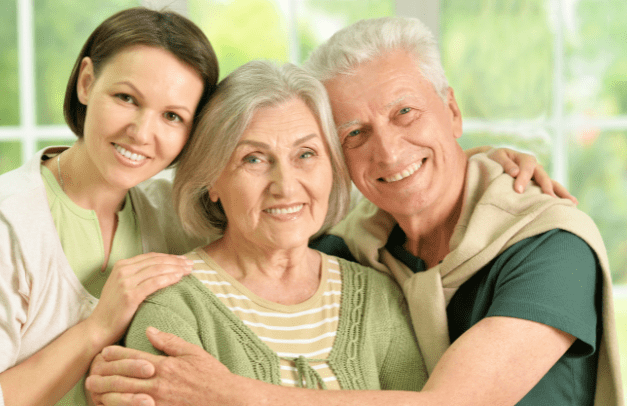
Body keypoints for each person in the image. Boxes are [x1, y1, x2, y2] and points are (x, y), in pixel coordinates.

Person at [85, 16, 622, 406]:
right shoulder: (363, 249)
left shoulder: (551, 248)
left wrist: (234, 396)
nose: (388, 151)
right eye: (355, 133)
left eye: (406, 112)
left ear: (453, 111)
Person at [0, 7, 218, 406]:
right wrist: (96, 327)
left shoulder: (173, 217)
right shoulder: (2, 224)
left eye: (172, 116)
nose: (142, 132)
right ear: (86, 82)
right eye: (126, 98)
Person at [124, 60, 428, 392]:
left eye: (306, 154)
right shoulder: (172, 308)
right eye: (253, 158)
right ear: (210, 177)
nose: (285, 186)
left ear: (334, 168)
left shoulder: (377, 296)